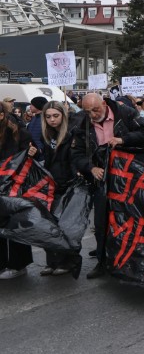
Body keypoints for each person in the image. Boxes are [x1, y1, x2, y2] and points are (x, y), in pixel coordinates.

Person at [71, 92, 144, 279]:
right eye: (87, 111)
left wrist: (124, 140)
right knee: (101, 221)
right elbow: (76, 154)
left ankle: (132, 261)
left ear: (104, 103)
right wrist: (90, 168)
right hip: (102, 178)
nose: (92, 115)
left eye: (95, 110)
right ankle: (102, 261)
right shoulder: (82, 123)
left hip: (128, 176)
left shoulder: (126, 113)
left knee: (130, 219)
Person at [28, 101, 80, 276]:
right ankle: (52, 261)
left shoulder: (72, 134)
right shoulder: (47, 135)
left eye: (55, 116)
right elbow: (48, 160)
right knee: (48, 225)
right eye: (48, 116)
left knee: (66, 227)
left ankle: (66, 262)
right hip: (51, 185)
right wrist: (36, 154)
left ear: (63, 116)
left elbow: (73, 160)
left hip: (68, 185)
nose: (52, 119)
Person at [0, 103, 33, 279]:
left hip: (14, 185)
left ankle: (18, 265)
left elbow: (31, 155)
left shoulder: (19, 132)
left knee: (15, 224)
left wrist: (33, 152)